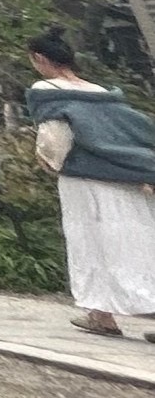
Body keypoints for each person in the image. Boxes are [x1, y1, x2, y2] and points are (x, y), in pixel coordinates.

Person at [26, 30, 155, 340]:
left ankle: (104, 318)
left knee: (92, 245)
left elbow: (54, 140)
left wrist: (48, 164)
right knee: (137, 243)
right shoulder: (100, 91)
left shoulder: (46, 90)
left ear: (40, 59)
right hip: (126, 176)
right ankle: (103, 315)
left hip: (85, 181)